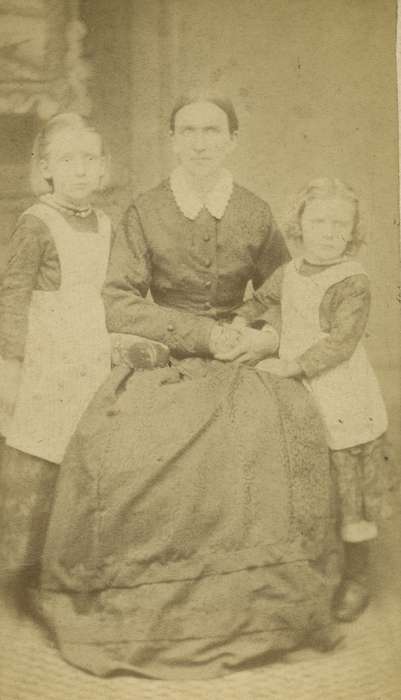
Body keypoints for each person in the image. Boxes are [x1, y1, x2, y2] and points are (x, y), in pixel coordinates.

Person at [38, 94, 340, 679]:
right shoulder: (144, 210)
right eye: (188, 130)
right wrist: (201, 334)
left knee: (278, 426)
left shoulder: (253, 211)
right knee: (133, 449)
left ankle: (268, 608)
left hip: (244, 358)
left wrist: (257, 333)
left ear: (231, 139)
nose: (200, 141)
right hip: (166, 355)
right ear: (173, 139)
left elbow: (286, 291)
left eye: (212, 130)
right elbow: (119, 298)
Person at [229, 177, 391, 623]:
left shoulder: (352, 280)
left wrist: (291, 365)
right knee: (303, 478)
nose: (328, 231)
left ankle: (357, 578)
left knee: (348, 486)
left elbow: (340, 343)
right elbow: (262, 301)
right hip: (299, 391)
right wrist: (239, 325)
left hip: (341, 392)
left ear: (353, 230)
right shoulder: (291, 270)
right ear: (299, 223)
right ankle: (308, 568)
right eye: (318, 220)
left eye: (340, 224)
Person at [0, 113, 112, 613]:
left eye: (90, 159)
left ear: (103, 166)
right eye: (68, 160)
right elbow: (12, 296)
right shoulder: (35, 222)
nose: (81, 171)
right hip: (46, 358)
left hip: (91, 352)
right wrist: (10, 365)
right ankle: (24, 575)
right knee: (38, 461)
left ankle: (71, 568)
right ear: (46, 168)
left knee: (85, 458)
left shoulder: (106, 222)